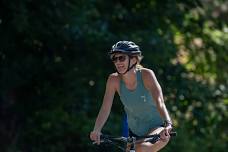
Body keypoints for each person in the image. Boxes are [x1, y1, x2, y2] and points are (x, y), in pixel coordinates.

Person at [90, 41, 173, 152]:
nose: (118, 62)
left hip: (158, 129)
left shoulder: (146, 75)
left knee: (142, 148)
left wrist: (168, 124)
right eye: (115, 59)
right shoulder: (113, 80)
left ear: (134, 59)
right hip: (134, 132)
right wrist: (97, 129)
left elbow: (160, 101)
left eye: (122, 58)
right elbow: (105, 108)